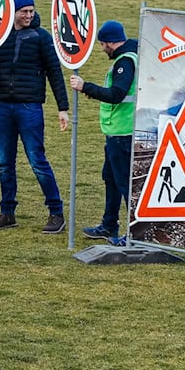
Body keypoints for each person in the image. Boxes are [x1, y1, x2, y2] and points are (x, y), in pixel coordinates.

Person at [0, 0, 70, 234]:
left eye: (31, 11)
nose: (28, 15)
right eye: (24, 11)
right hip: (3, 106)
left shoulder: (41, 38)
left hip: (30, 107)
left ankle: (56, 211)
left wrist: (63, 108)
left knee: (37, 160)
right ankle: (7, 212)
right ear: (13, 12)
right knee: (5, 163)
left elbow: (55, 73)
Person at [69, 20, 138, 244]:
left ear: (109, 42)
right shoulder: (130, 57)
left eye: (102, 45)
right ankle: (109, 224)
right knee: (111, 178)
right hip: (117, 131)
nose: (102, 49)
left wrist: (85, 86)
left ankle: (135, 232)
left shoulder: (124, 62)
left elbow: (116, 94)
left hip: (123, 132)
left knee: (125, 183)